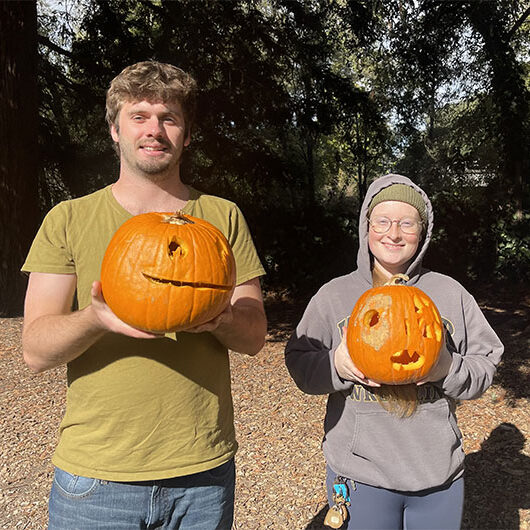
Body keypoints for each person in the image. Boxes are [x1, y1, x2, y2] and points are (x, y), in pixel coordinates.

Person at [21, 61, 267, 529]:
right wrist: (95, 318)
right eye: (139, 116)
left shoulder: (221, 216)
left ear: (187, 135)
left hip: (202, 474)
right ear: (115, 129)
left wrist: (221, 319)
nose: (154, 130)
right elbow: (34, 350)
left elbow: (254, 334)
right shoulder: (68, 219)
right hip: (96, 477)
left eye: (169, 118)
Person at [284, 173, 504, 529]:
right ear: (366, 227)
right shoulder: (335, 295)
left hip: (437, 473)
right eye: (382, 221)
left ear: (424, 232)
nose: (394, 233)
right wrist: (336, 364)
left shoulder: (449, 292)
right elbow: (298, 360)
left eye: (407, 223)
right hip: (360, 473)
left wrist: (447, 367)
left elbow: (486, 362)